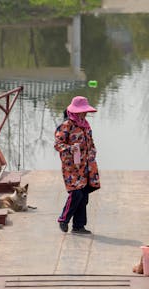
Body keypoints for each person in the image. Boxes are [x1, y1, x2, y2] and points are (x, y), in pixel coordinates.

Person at [54, 96, 101, 234]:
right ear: (75, 112)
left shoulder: (85, 124)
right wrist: (70, 148)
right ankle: (64, 219)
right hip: (71, 167)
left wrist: (92, 153)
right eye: (82, 111)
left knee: (84, 194)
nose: (85, 113)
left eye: (85, 111)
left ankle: (79, 226)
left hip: (86, 165)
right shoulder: (66, 125)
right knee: (76, 193)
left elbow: (91, 143)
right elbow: (58, 144)